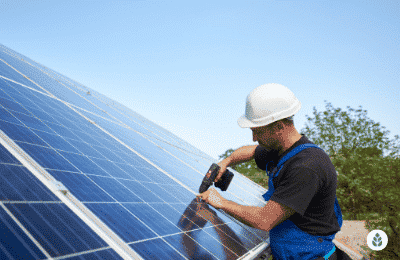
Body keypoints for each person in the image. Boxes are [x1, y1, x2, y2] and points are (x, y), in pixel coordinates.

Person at [197, 83, 351, 260]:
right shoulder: (282, 151)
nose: (254, 138)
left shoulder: (306, 166)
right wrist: (227, 161)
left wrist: (221, 202)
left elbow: (264, 220)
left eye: (257, 131)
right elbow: (251, 151)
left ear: (278, 127)